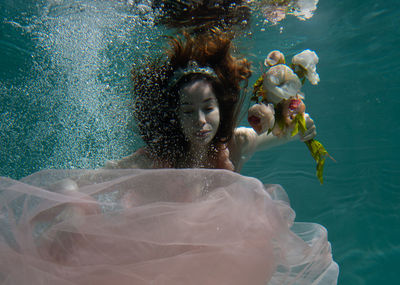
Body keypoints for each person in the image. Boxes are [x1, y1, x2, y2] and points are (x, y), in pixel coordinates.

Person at [106, 30, 316, 172]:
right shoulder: (156, 159)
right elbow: (102, 175)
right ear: (175, 116)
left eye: (208, 108)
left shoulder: (235, 143)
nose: (200, 120)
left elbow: (282, 135)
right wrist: (72, 190)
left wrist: (302, 125)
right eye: (188, 111)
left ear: (221, 109)